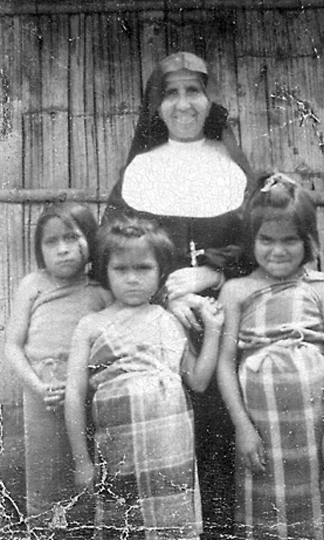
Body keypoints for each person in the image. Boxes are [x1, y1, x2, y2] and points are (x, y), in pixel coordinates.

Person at [104, 51, 255, 535]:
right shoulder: (140, 171)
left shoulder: (233, 167)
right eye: (171, 92)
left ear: (210, 101)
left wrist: (212, 275)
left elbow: (264, 244)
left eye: (194, 91)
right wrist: (167, 297)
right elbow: (113, 252)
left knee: (221, 440)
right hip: (155, 325)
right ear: (157, 104)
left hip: (225, 321)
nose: (184, 103)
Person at [64, 215, 224, 540]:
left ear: (161, 270)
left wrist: (214, 331)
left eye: (143, 268)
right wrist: (82, 460)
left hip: (170, 453)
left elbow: (197, 380)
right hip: (118, 452)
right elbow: (74, 393)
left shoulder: (170, 319)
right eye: (121, 269)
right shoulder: (92, 326)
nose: (132, 279)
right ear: (105, 271)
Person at [216, 173, 324, 540]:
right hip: (261, 434)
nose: (278, 251)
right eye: (267, 240)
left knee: (318, 517)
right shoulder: (236, 291)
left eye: (290, 240)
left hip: (315, 433)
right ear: (251, 240)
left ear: (308, 241)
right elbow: (225, 365)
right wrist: (242, 428)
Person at [5, 201, 111, 533]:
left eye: (72, 238)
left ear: (90, 239)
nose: (62, 249)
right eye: (51, 242)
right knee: (45, 482)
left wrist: (85, 385)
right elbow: (12, 345)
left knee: (85, 480)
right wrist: (38, 387)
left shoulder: (101, 292)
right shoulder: (33, 285)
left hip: (85, 397)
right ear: (39, 248)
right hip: (42, 396)